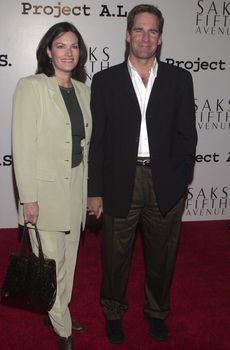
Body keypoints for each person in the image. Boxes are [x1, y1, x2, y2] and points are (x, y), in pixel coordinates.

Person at [87, 4, 197, 344]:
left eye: (152, 31)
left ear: (160, 38)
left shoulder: (180, 79)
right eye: (139, 30)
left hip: (165, 182)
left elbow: (187, 135)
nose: (145, 37)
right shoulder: (105, 81)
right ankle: (113, 312)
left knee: (162, 256)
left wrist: (179, 181)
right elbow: (98, 141)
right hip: (121, 180)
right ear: (127, 34)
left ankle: (156, 312)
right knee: (115, 256)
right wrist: (95, 190)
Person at [12, 22, 92, 350]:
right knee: (53, 261)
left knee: (69, 259)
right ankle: (62, 328)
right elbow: (23, 145)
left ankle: (58, 310)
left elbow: (87, 147)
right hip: (44, 191)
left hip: (75, 186)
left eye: (74, 46)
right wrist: (28, 198)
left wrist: (91, 192)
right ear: (48, 51)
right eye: (60, 45)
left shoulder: (84, 90)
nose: (68, 52)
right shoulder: (31, 87)